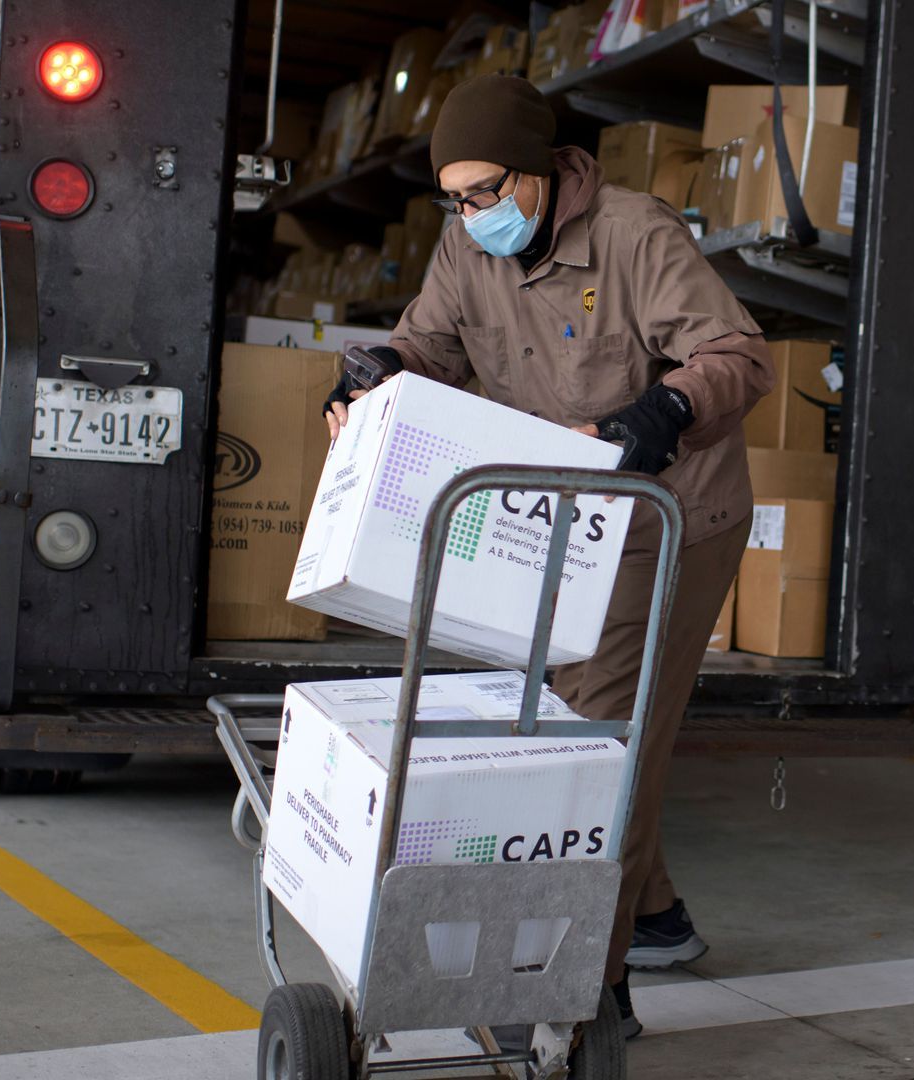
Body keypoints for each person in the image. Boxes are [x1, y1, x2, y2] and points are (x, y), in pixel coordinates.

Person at [323, 74, 774, 1039]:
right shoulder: (467, 245)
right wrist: (372, 378)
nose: (470, 214)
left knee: (598, 742)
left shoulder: (635, 234)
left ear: (537, 172)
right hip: (557, 519)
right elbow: (426, 346)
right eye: (454, 199)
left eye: (485, 192)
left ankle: (584, 992)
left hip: (665, 517)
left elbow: (739, 356)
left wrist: (663, 409)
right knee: (580, 722)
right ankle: (656, 915)